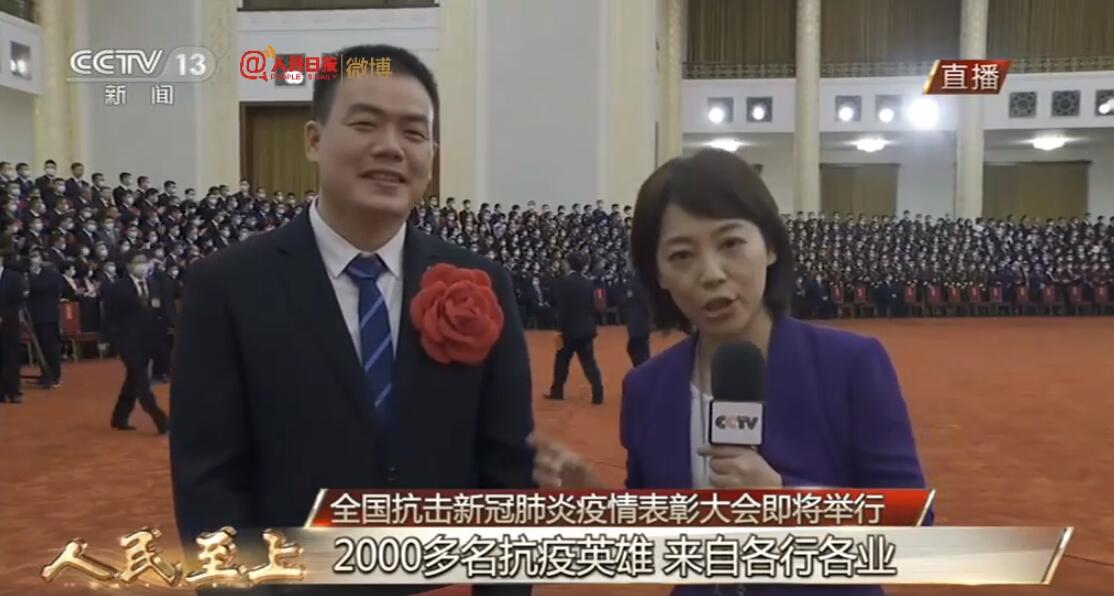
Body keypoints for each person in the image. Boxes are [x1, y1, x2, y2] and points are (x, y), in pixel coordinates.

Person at [169, 44, 535, 594]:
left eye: (413, 132)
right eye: (365, 124)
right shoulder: (226, 286)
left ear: (432, 153)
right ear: (314, 141)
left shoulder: (482, 283)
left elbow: (509, 470)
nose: (390, 147)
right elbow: (209, 479)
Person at [532, 149, 929, 596]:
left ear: (770, 245)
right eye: (681, 255)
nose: (711, 274)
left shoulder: (850, 364)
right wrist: (601, 504)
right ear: (657, 274)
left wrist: (785, 500)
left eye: (730, 244)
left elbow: (913, 526)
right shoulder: (647, 388)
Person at [103, 250, 169, 434]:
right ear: (129, 265)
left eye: (145, 262)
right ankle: (160, 418)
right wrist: (106, 338)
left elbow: (159, 312)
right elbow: (109, 316)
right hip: (127, 340)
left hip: (148, 340)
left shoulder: (153, 285)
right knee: (141, 380)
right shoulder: (117, 287)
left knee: (132, 379)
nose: (143, 266)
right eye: (138, 262)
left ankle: (119, 417)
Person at [545, 252, 604, 404]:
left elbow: (559, 307)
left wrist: (559, 327)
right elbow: (598, 306)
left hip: (567, 330)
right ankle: (598, 393)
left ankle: (557, 391)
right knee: (589, 362)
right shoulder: (590, 283)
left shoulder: (563, 283)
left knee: (562, 362)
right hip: (586, 329)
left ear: (569, 264)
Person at [27, 250, 64, 388]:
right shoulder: (28, 275)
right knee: (40, 349)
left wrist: (32, 276)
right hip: (35, 316)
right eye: (31, 257)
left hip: (48, 316)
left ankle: (55, 376)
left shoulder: (50, 274)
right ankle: (45, 375)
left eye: (36, 256)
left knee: (50, 348)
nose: (33, 260)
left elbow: (40, 287)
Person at [0, 245, 25, 403]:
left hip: (10, 323)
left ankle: (13, 392)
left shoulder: (13, 277)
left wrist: (3, 316)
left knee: (11, 358)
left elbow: (18, 301)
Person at [622, 272, 651, 367]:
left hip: (637, 322)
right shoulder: (642, 284)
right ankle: (642, 368)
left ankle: (643, 369)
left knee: (639, 349)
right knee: (639, 349)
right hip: (639, 322)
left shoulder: (634, 284)